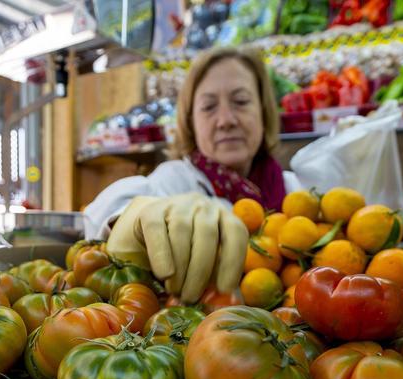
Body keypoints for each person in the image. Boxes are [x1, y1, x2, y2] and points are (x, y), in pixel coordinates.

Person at [85, 47, 307, 304]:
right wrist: (133, 218)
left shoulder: (292, 189)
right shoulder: (173, 181)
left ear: (264, 112)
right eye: (209, 107)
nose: (226, 120)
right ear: (191, 122)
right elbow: (97, 221)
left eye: (241, 101)